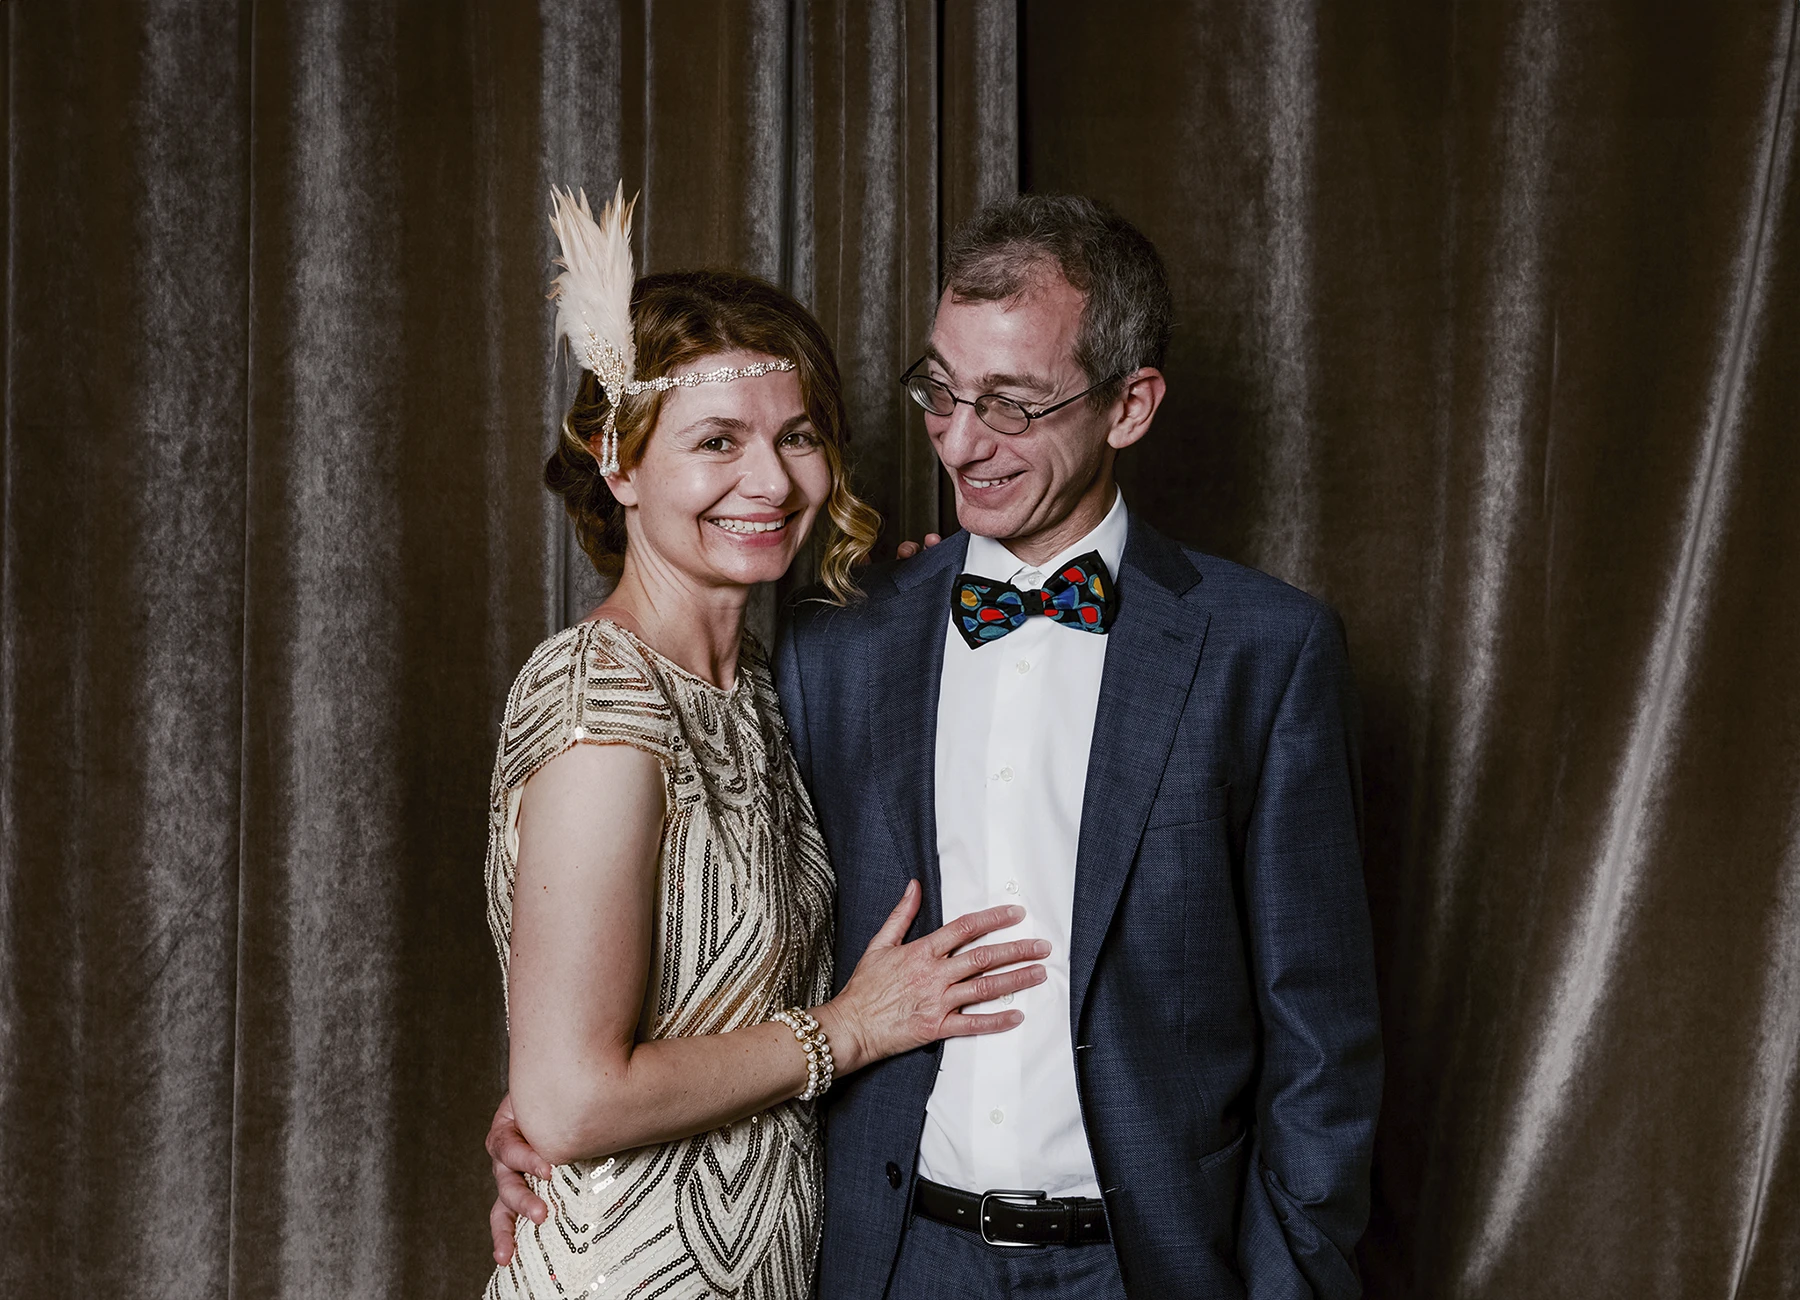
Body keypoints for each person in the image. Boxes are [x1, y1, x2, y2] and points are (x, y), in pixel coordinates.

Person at [491, 193, 1383, 1298]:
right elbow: (622, 1015)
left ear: (1130, 405)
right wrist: (555, 1105)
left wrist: (1290, 1280)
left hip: (1151, 1266)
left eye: (1008, 404)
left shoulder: (1268, 649)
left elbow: (1323, 1040)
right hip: (883, 1259)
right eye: (941, 392)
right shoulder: (841, 647)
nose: (961, 441)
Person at [480, 187, 1052, 1300]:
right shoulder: (599, 700)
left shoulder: (754, 683)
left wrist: (935, 597)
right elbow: (569, 1101)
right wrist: (849, 1029)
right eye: (715, 441)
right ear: (621, 462)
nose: (770, 480)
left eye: (796, 437)